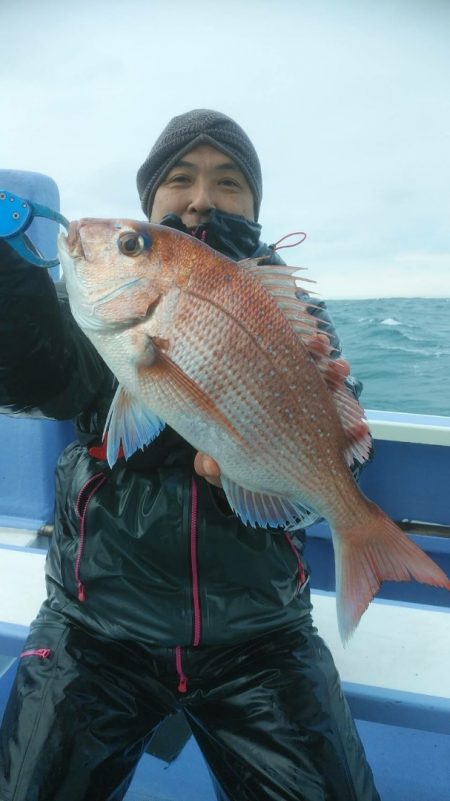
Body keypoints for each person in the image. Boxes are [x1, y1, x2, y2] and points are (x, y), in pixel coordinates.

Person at [0, 109, 380, 801]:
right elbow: (28, 366)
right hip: (96, 627)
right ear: (152, 203)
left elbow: (340, 419)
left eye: (229, 182)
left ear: (256, 207)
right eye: (180, 179)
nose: (203, 197)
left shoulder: (288, 306)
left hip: (261, 633)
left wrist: (340, 461)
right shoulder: (86, 313)